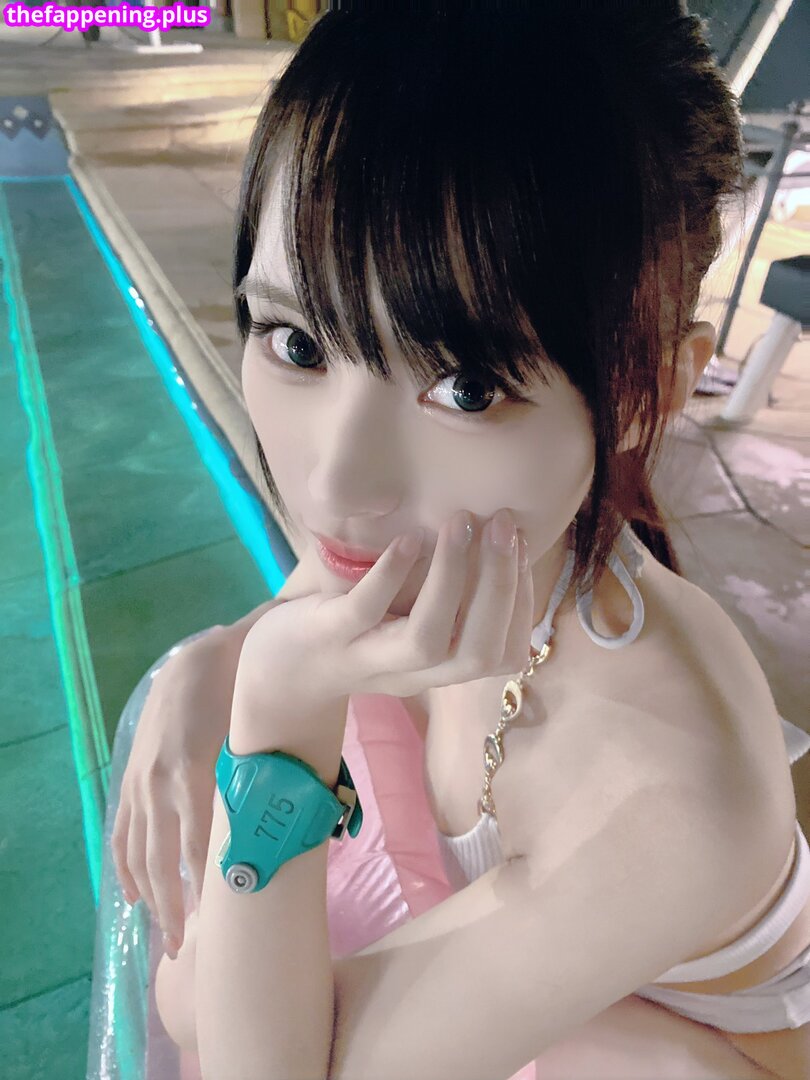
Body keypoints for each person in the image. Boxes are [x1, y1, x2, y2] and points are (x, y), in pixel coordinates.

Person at [109, 4, 810, 1078]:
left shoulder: (659, 783)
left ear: (646, 390)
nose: (336, 484)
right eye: (297, 343)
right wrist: (218, 656)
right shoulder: (471, 544)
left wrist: (277, 704)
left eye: (467, 387)